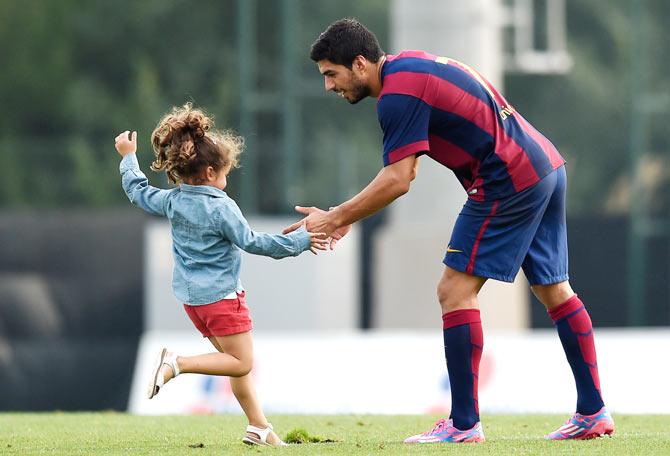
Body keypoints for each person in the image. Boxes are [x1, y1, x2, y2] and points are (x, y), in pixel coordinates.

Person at [283, 18, 615, 443]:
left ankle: (462, 425)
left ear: (361, 64)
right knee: (555, 290)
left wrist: (335, 217)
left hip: (506, 178)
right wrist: (346, 215)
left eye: (332, 74)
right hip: (543, 163)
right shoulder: (409, 68)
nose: (329, 86)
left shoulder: (396, 97)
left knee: (453, 290)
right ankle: (593, 411)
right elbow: (406, 170)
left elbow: (399, 178)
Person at [115, 103, 327, 447]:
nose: (228, 176)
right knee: (242, 362)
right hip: (221, 299)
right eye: (226, 170)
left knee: (231, 363)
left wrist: (128, 157)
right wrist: (301, 241)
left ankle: (259, 428)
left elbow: (138, 192)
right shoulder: (221, 206)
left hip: (192, 302)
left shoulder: (174, 201)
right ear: (212, 171)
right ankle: (176, 363)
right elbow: (255, 243)